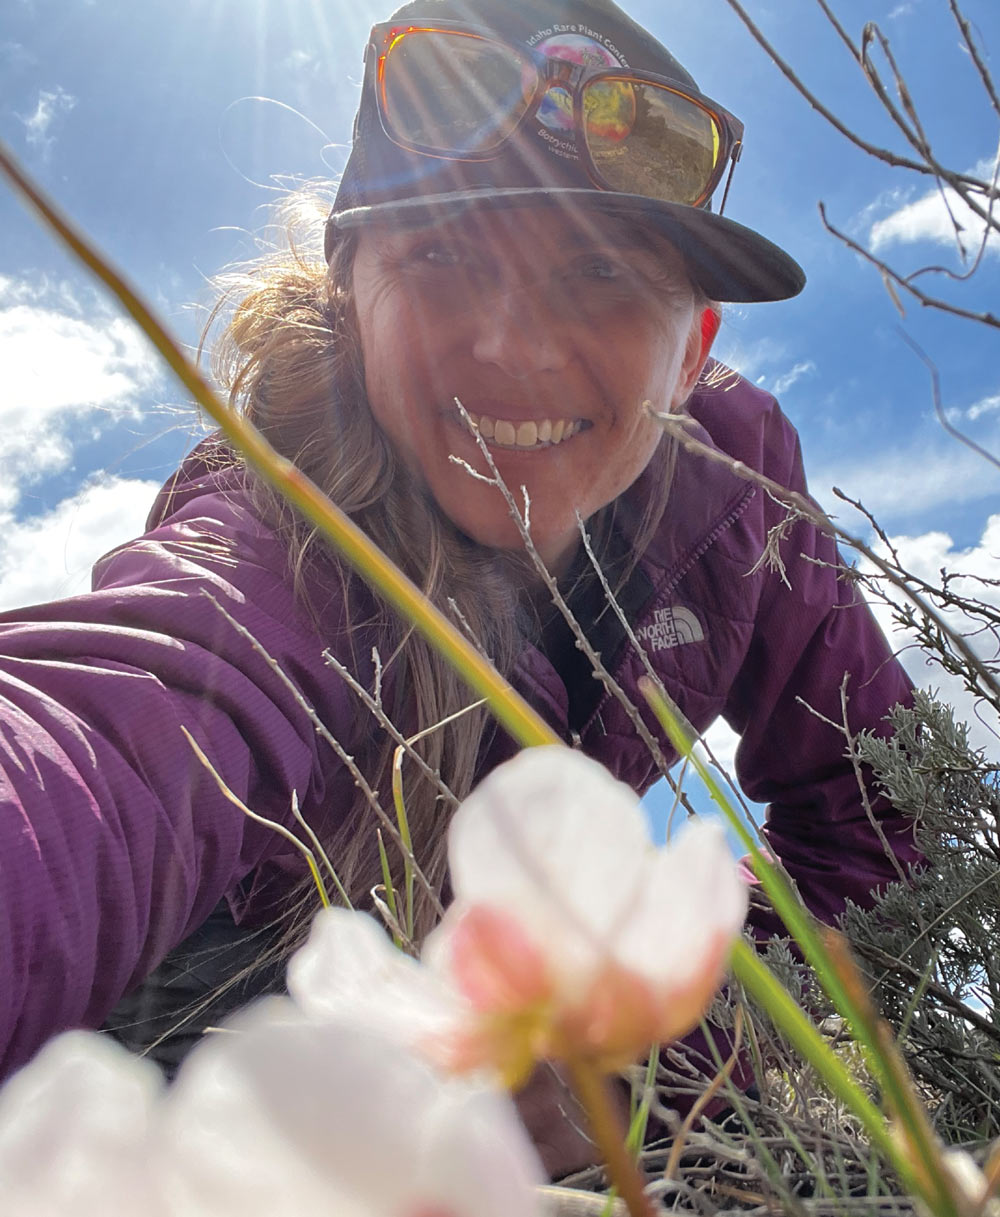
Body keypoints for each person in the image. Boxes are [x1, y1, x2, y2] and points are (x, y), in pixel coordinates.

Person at [0, 0, 919, 1175]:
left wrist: (651, 1054)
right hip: (265, 1012)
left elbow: (882, 806)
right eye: (441, 253)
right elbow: (110, 732)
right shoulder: (278, 521)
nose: (512, 344)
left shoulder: (737, 499)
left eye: (598, 271)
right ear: (348, 291)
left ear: (691, 351)